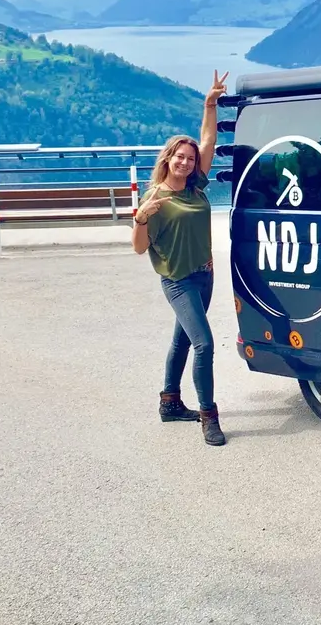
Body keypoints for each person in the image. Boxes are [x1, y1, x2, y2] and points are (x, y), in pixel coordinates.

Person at [132, 70, 230, 447]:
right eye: (180, 157)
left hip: (204, 277)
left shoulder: (194, 186)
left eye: (190, 159)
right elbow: (139, 247)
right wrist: (140, 219)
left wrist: (210, 104)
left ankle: (169, 402)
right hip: (178, 281)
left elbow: (208, 140)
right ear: (168, 158)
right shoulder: (155, 198)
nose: (186, 162)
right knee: (203, 344)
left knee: (183, 341)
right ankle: (209, 416)